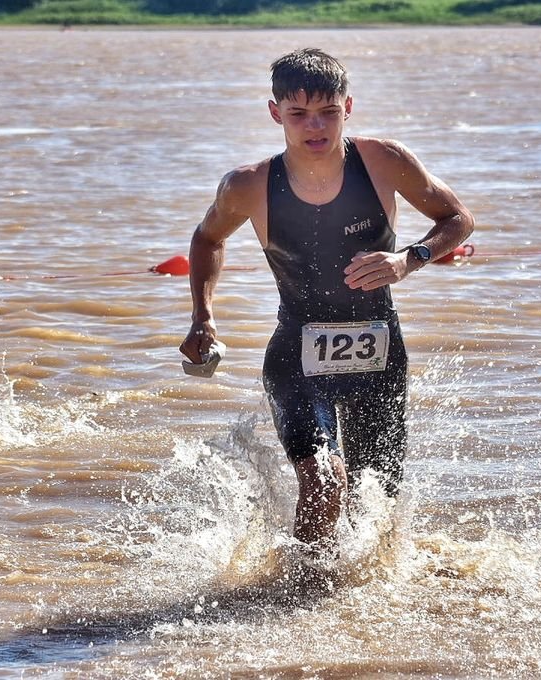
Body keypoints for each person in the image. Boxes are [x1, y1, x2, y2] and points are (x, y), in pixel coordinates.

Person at [179, 48, 474, 556]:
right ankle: (298, 590)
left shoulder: (384, 161)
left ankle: (354, 596)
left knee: (373, 506)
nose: (314, 126)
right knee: (324, 481)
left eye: (328, 112)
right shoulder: (248, 185)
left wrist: (410, 259)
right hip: (296, 355)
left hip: (380, 356)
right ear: (275, 113)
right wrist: (203, 316)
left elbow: (458, 219)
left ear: (348, 107)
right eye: (298, 113)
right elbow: (207, 239)